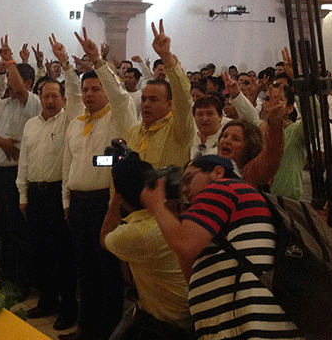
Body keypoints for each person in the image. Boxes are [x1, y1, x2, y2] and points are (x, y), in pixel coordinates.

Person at [141, 155, 301, 339]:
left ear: (218, 172)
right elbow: (191, 272)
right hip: (243, 326)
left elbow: (185, 244)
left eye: (189, 179)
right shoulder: (232, 204)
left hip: (250, 325)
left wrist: (156, 204)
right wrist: (174, 218)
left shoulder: (222, 188)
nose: (184, 190)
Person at [59, 28, 138, 340]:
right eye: (86, 89)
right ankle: (86, 327)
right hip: (78, 202)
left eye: (96, 89)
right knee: (84, 268)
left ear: (106, 91)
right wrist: (66, 201)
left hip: (104, 204)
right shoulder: (77, 122)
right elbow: (69, 163)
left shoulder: (117, 117)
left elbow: (120, 98)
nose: (89, 94)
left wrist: (99, 63)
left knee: (107, 270)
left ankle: (107, 332)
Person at [16, 35, 81, 332]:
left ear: (64, 99)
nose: (51, 101)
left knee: (63, 255)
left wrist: (65, 62)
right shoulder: (31, 124)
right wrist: (23, 194)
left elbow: (76, 91)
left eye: (56, 96)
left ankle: (69, 307)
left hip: (58, 194)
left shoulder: (69, 121)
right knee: (39, 251)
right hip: (35, 194)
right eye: (46, 96)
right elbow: (24, 162)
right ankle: (47, 300)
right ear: (39, 98)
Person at [102, 156, 193, 340]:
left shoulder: (136, 233)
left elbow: (104, 238)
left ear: (123, 198)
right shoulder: (174, 216)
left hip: (167, 325)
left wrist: (115, 201)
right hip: (192, 314)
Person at [0, 36, 40, 300]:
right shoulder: (4, 104)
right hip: (1, 174)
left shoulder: (31, 102)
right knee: (4, 228)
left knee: (20, 231)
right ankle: (6, 276)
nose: (8, 85)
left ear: (28, 83)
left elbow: (17, 88)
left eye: (12, 79)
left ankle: (23, 282)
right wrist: (3, 142)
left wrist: (9, 60)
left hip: (19, 176)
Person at [124, 20, 194, 170]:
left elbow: (183, 98)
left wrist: (166, 56)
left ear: (170, 104)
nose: (146, 104)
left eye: (153, 100)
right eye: (143, 99)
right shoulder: (132, 133)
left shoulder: (179, 130)